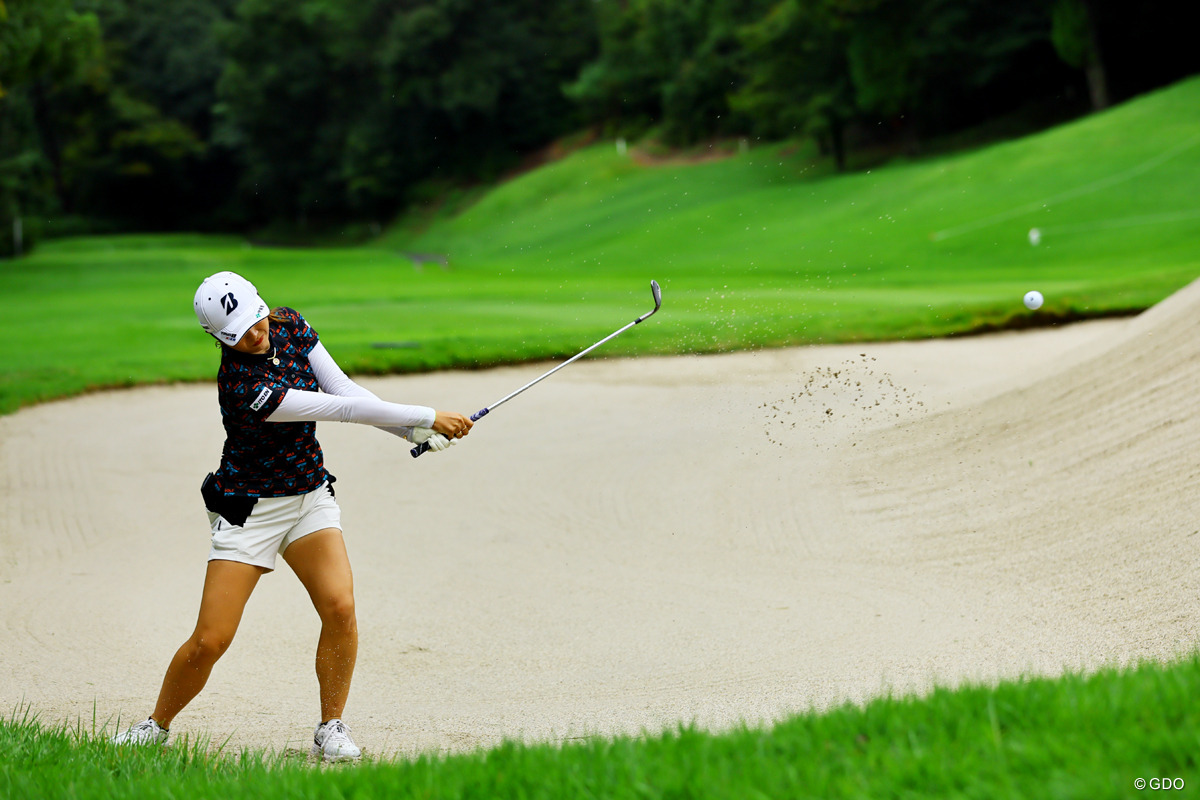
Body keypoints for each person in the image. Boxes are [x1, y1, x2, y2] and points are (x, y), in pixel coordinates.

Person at [112, 271, 473, 761]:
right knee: (211, 640)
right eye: (239, 332)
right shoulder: (243, 386)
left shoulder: (292, 326)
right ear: (219, 338)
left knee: (340, 607)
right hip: (251, 509)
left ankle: (331, 726)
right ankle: (155, 726)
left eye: (256, 318)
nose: (254, 332)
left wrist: (409, 433)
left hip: (308, 497)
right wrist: (427, 417)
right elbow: (339, 409)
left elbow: (344, 388)